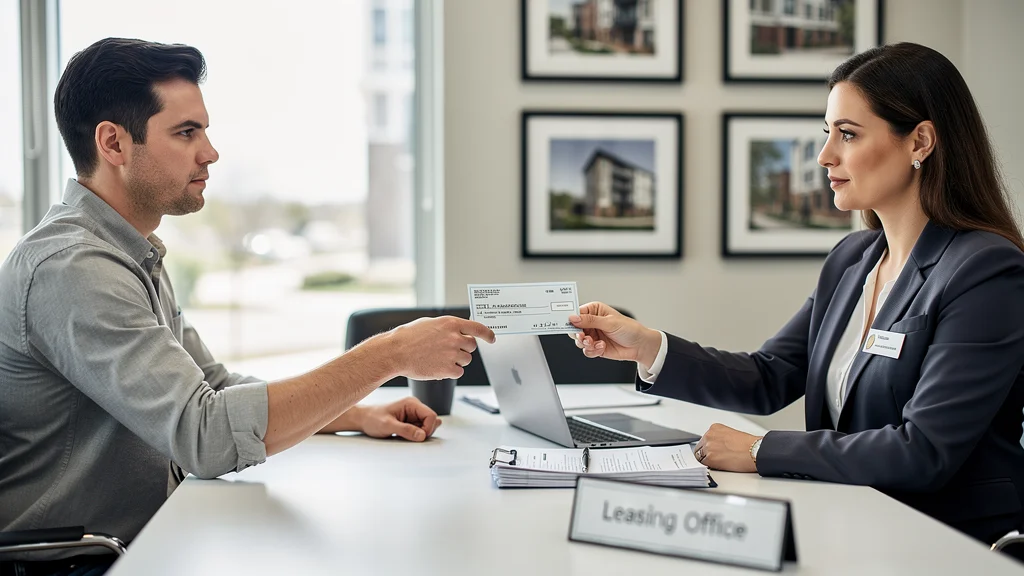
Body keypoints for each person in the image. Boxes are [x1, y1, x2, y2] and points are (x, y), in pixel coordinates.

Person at [0, 37, 494, 574]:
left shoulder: (123, 251)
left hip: (145, 540)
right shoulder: (74, 268)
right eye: (186, 133)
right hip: (79, 562)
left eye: (204, 131)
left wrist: (351, 414)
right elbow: (207, 436)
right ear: (113, 144)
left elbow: (212, 386)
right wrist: (390, 355)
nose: (209, 152)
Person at [570, 42, 1024, 546]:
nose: (825, 155)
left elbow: (923, 451)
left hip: (948, 544)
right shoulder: (852, 258)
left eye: (847, 135)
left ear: (920, 142)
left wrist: (761, 450)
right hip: (855, 524)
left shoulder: (987, 270)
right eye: (827, 133)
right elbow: (769, 376)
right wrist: (648, 346)